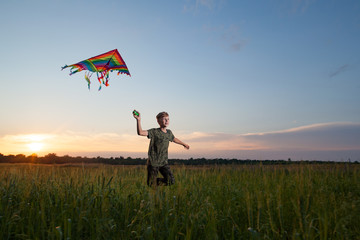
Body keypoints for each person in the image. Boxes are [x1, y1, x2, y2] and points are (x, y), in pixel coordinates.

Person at [133, 110, 190, 186]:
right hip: (153, 162)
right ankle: (151, 185)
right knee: (151, 184)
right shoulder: (154, 132)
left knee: (171, 181)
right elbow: (140, 132)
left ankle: (152, 183)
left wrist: (184, 144)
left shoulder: (169, 132)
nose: (167, 121)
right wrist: (138, 120)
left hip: (163, 162)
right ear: (158, 121)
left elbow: (174, 139)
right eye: (164, 119)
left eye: (168, 119)